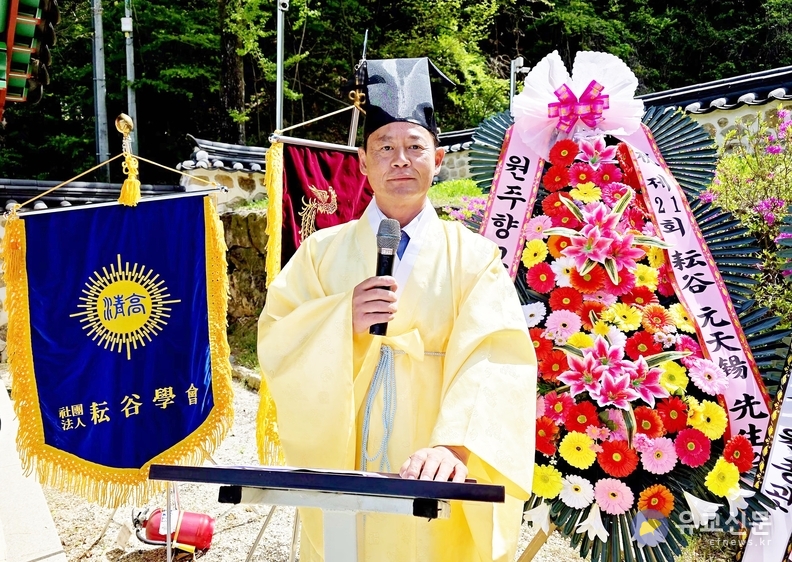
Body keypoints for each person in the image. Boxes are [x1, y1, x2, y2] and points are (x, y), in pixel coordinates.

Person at [257, 58, 537, 562]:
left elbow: (495, 356)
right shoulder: (321, 250)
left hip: (432, 449)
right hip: (346, 443)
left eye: (414, 147)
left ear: (439, 157)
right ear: (362, 162)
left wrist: (454, 446)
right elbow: (277, 334)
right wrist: (338, 322)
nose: (400, 160)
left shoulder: (473, 257)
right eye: (384, 148)